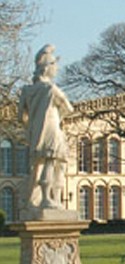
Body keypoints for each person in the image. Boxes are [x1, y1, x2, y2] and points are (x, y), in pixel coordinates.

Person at [18, 44, 73, 212]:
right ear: (47, 68)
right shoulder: (51, 89)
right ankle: (46, 199)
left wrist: (31, 128)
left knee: (37, 166)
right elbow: (69, 109)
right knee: (51, 163)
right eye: (54, 66)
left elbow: (21, 117)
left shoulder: (26, 91)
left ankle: (34, 202)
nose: (56, 69)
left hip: (35, 132)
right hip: (52, 130)